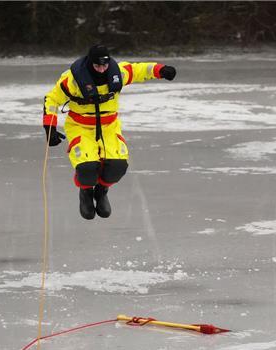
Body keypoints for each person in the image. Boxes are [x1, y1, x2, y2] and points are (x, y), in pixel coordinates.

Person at [42, 45, 177, 219]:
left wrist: (161, 70)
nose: (102, 69)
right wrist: (50, 127)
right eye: (97, 66)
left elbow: (139, 70)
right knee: (87, 167)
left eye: (104, 65)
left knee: (118, 166)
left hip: (109, 127)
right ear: (90, 64)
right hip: (80, 127)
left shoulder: (117, 73)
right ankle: (85, 193)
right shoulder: (73, 79)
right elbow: (52, 99)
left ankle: (101, 191)